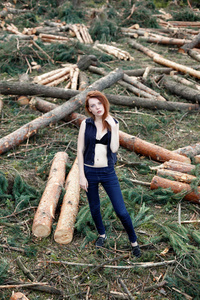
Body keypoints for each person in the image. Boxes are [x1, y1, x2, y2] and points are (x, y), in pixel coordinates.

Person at [77, 90, 141, 258]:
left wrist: (113, 127)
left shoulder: (114, 123)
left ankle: (134, 241)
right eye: (92, 105)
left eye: (99, 103)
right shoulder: (86, 124)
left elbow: (114, 149)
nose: (97, 107)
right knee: (94, 207)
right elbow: (80, 150)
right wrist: (81, 176)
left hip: (107, 172)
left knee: (121, 211)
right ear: (89, 109)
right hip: (89, 170)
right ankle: (102, 234)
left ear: (104, 104)